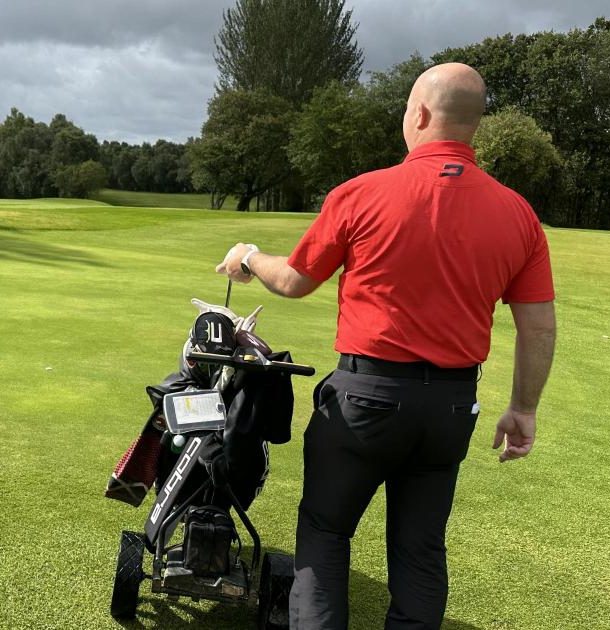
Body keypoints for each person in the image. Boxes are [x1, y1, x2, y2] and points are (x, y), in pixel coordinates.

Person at [215, 63, 556, 629]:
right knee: (420, 550)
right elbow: (538, 327)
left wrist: (248, 256)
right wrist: (523, 407)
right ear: (474, 123)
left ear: (418, 114)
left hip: (364, 399)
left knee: (325, 532)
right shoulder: (518, 214)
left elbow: (295, 280)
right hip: (450, 408)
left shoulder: (362, 193)